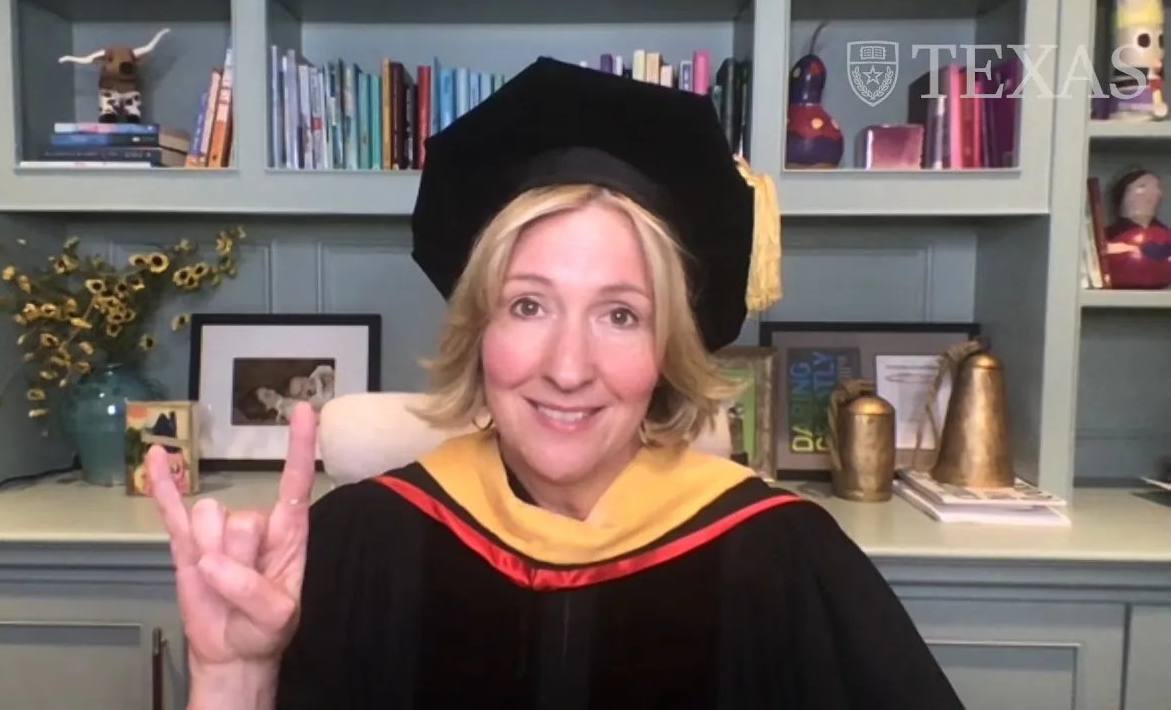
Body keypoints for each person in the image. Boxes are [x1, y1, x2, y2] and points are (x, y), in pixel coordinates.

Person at [148, 57, 965, 709]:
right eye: (529, 305)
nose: (568, 368)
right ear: (480, 331)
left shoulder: (786, 558)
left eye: (621, 315)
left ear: (666, 351)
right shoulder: (353, 547)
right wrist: (233, 682)